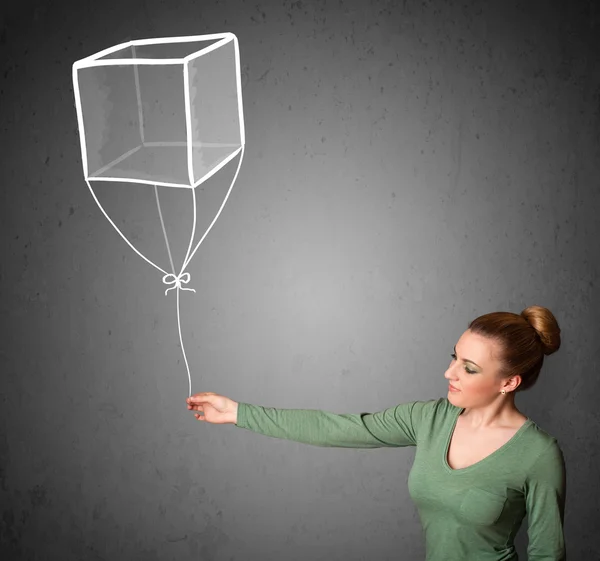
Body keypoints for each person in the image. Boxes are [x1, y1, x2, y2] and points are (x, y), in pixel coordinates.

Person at [186, 305, 566, 560]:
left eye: (468, 368)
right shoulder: (428, 419)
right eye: (454, 357)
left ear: (508, 382)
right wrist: (238, 412)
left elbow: (548, 555)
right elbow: (339, 428)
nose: (448, 373)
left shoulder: (537, 454)